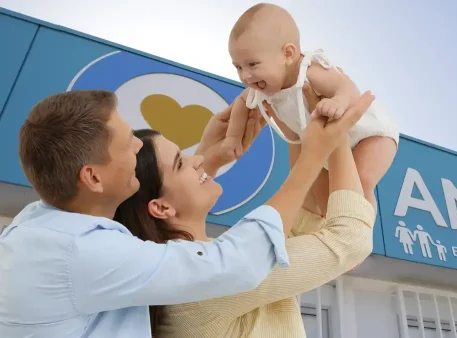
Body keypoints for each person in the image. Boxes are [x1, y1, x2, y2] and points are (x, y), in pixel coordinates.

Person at [0, 85, 371, 337]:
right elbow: (345, 238)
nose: (135, 144)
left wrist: (296, 119)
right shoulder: (84, 253)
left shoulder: (47, 221)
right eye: (127, 143)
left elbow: (294, 225)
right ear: (92, 177)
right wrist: (323, 143)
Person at [114, 85, 376, 337]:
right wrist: (333, 136)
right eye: (181, 162)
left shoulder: (185, 273)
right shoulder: (202, 280)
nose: (197, 159)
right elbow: (348, 239)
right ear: (160, 208)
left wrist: (294, 118)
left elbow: (295, 231)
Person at [222, 3, 399, 215]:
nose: (245, 76)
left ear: (288, 54)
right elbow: (241, 105)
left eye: (253, 64)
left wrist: (338, 102)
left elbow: (347, 87)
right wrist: (233, 137)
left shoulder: (308, 71)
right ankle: (333, 231)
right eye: (238, 67)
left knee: (361, 180)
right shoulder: (261, 90)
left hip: (368, 133)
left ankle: (360, 228)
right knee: (327, 202)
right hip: (327, 147)